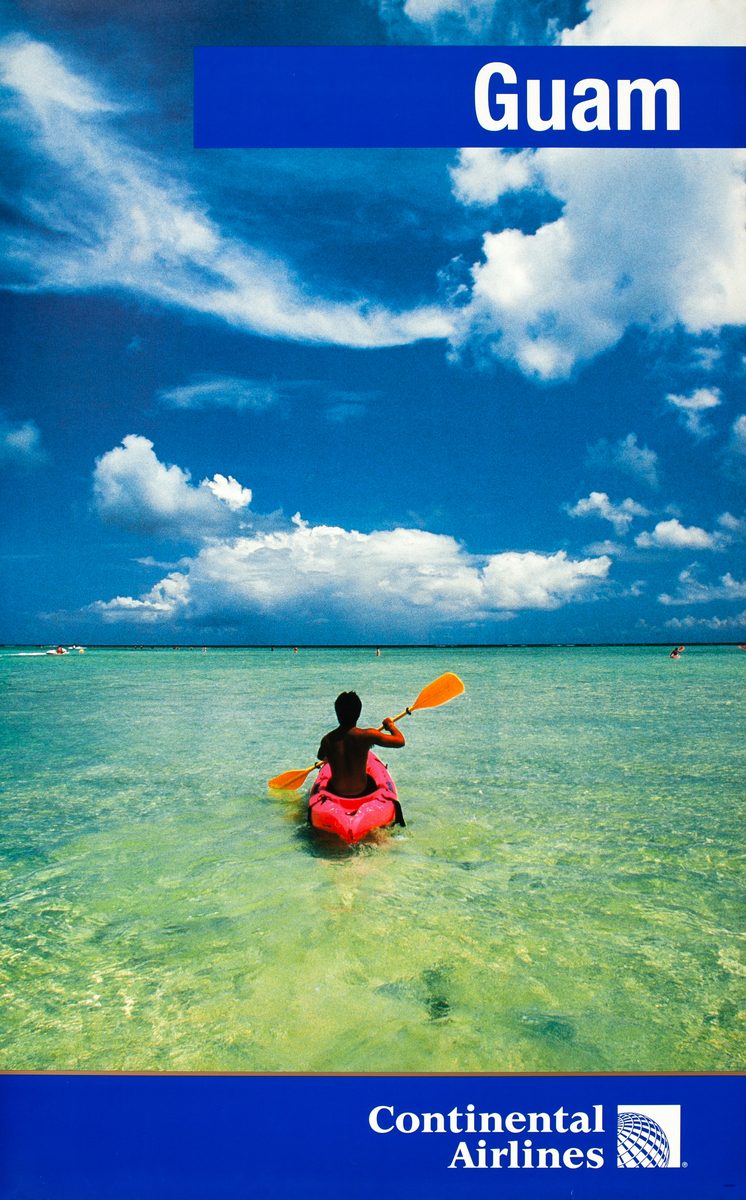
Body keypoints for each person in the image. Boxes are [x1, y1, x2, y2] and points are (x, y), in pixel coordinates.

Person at [317, 690, 405, 798]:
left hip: (337, 791)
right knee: (373, 781)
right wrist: (390, 726)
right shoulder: (367, 736)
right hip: (362, 790)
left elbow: (321, 756)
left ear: (337, 712)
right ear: (358, 713)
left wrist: (334, 756)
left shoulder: (327, 740)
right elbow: (400, 741)